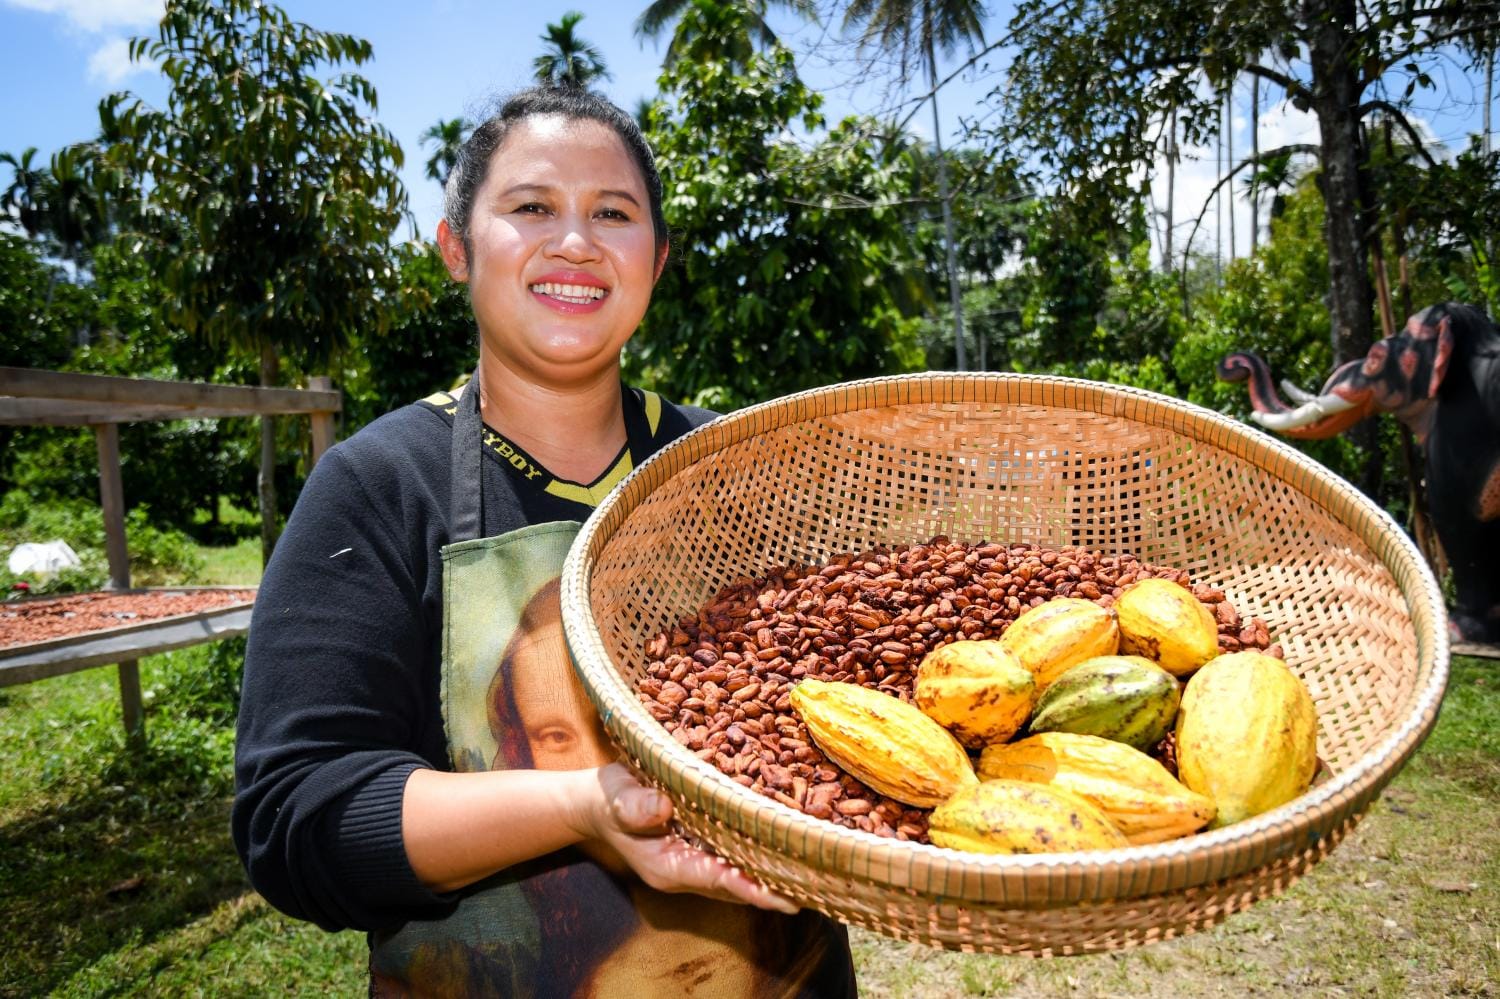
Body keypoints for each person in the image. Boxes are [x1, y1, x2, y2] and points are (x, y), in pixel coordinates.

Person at [231, 85, 857, 997]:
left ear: (658, 257)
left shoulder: (740, 471)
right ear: (456, 247)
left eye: (614, 213)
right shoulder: (376, 488)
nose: (575, 241)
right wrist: (582, 806)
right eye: (531, 208)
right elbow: (299, 816)